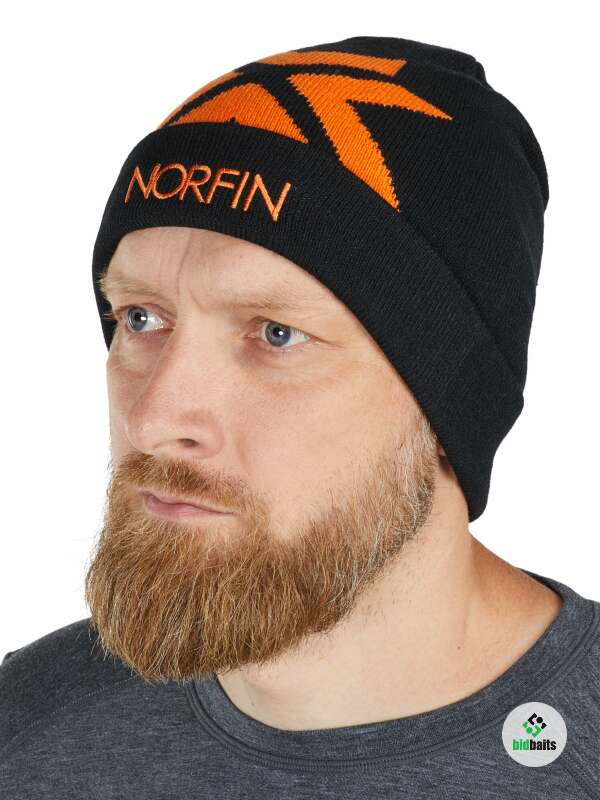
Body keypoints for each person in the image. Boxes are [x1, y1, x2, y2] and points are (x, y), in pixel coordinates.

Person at [1, 35, 598, 799]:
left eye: (276, 334)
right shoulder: (27, 724)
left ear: (451, 398)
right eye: (141, 318)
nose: (152, 420)